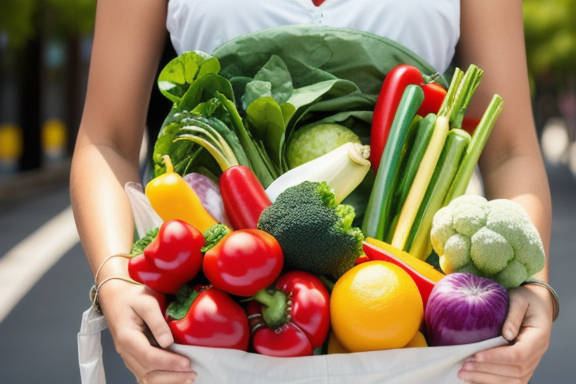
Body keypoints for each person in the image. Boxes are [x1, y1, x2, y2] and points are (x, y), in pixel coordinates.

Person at [70, 1, 556, 383]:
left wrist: (532, 281)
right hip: (215, 318)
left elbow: (509, 148)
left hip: (419, 325)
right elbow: (106, 138)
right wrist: (114, 279)